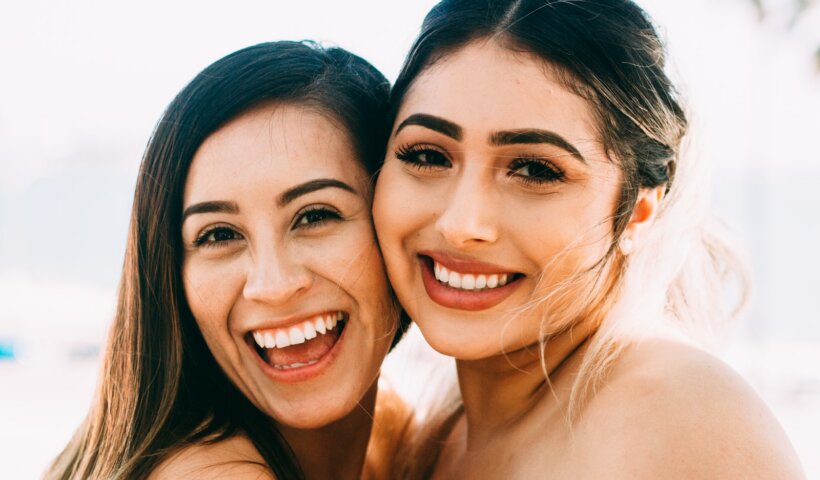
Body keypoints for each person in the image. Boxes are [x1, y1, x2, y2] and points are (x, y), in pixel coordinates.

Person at [373, 0, 806, 478]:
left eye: (536, 170)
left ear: (638, 212)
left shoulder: (679, 423)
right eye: (428, 156)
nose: (461, 223)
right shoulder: (438, 440)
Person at [46, 41, 409, 480]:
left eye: (314, 216)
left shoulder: (399, 443)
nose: (272, 285)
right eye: (220, 235)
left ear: (396, 217)